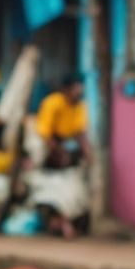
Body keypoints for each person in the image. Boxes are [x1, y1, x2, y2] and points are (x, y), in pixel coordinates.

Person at [30, 74, 91, 238]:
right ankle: (57, 221)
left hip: (66, 149)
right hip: (49, 148)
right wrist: (58, 151)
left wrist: (87, 153)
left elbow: (80, 133)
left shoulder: (79, 107)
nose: (78, 92)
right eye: (75, 88)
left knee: (76, 186)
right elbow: (45, 134)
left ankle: (67, 221)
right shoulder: (52, 103)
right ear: (66, 89)